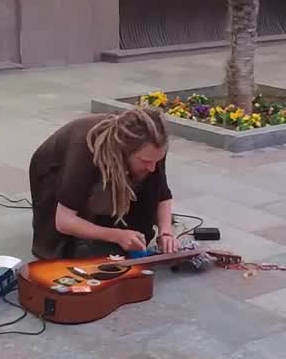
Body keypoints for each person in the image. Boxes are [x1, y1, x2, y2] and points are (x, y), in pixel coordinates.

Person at [29, 107, 178, 260]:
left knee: (139, 230)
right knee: (70, 248)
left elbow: (162, 193)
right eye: (146, 161)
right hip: (52, 170)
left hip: (114, 160)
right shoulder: (85, 152)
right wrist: (117, 235)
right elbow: (64, 221)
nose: (152, 167)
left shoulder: (154, 147)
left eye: (157, 161)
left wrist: (165, 233)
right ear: (124, 151)